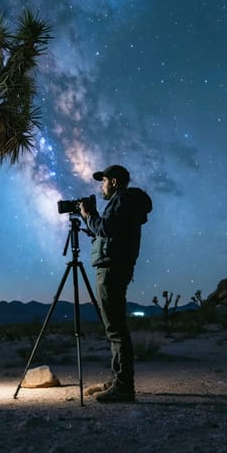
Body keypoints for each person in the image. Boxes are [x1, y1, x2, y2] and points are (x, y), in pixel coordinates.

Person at [79, 164, 152, 403]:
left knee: (115, 328)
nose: (102, 185)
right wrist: (95, 224)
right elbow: (109, 232)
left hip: (111, 269)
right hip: (116, 266)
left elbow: (106, 227)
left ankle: (123, 386)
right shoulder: (125, 203)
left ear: (115, 182)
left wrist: (88, 215)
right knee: (115, 327)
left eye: (104, 181)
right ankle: (118, 379)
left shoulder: (121, 201)